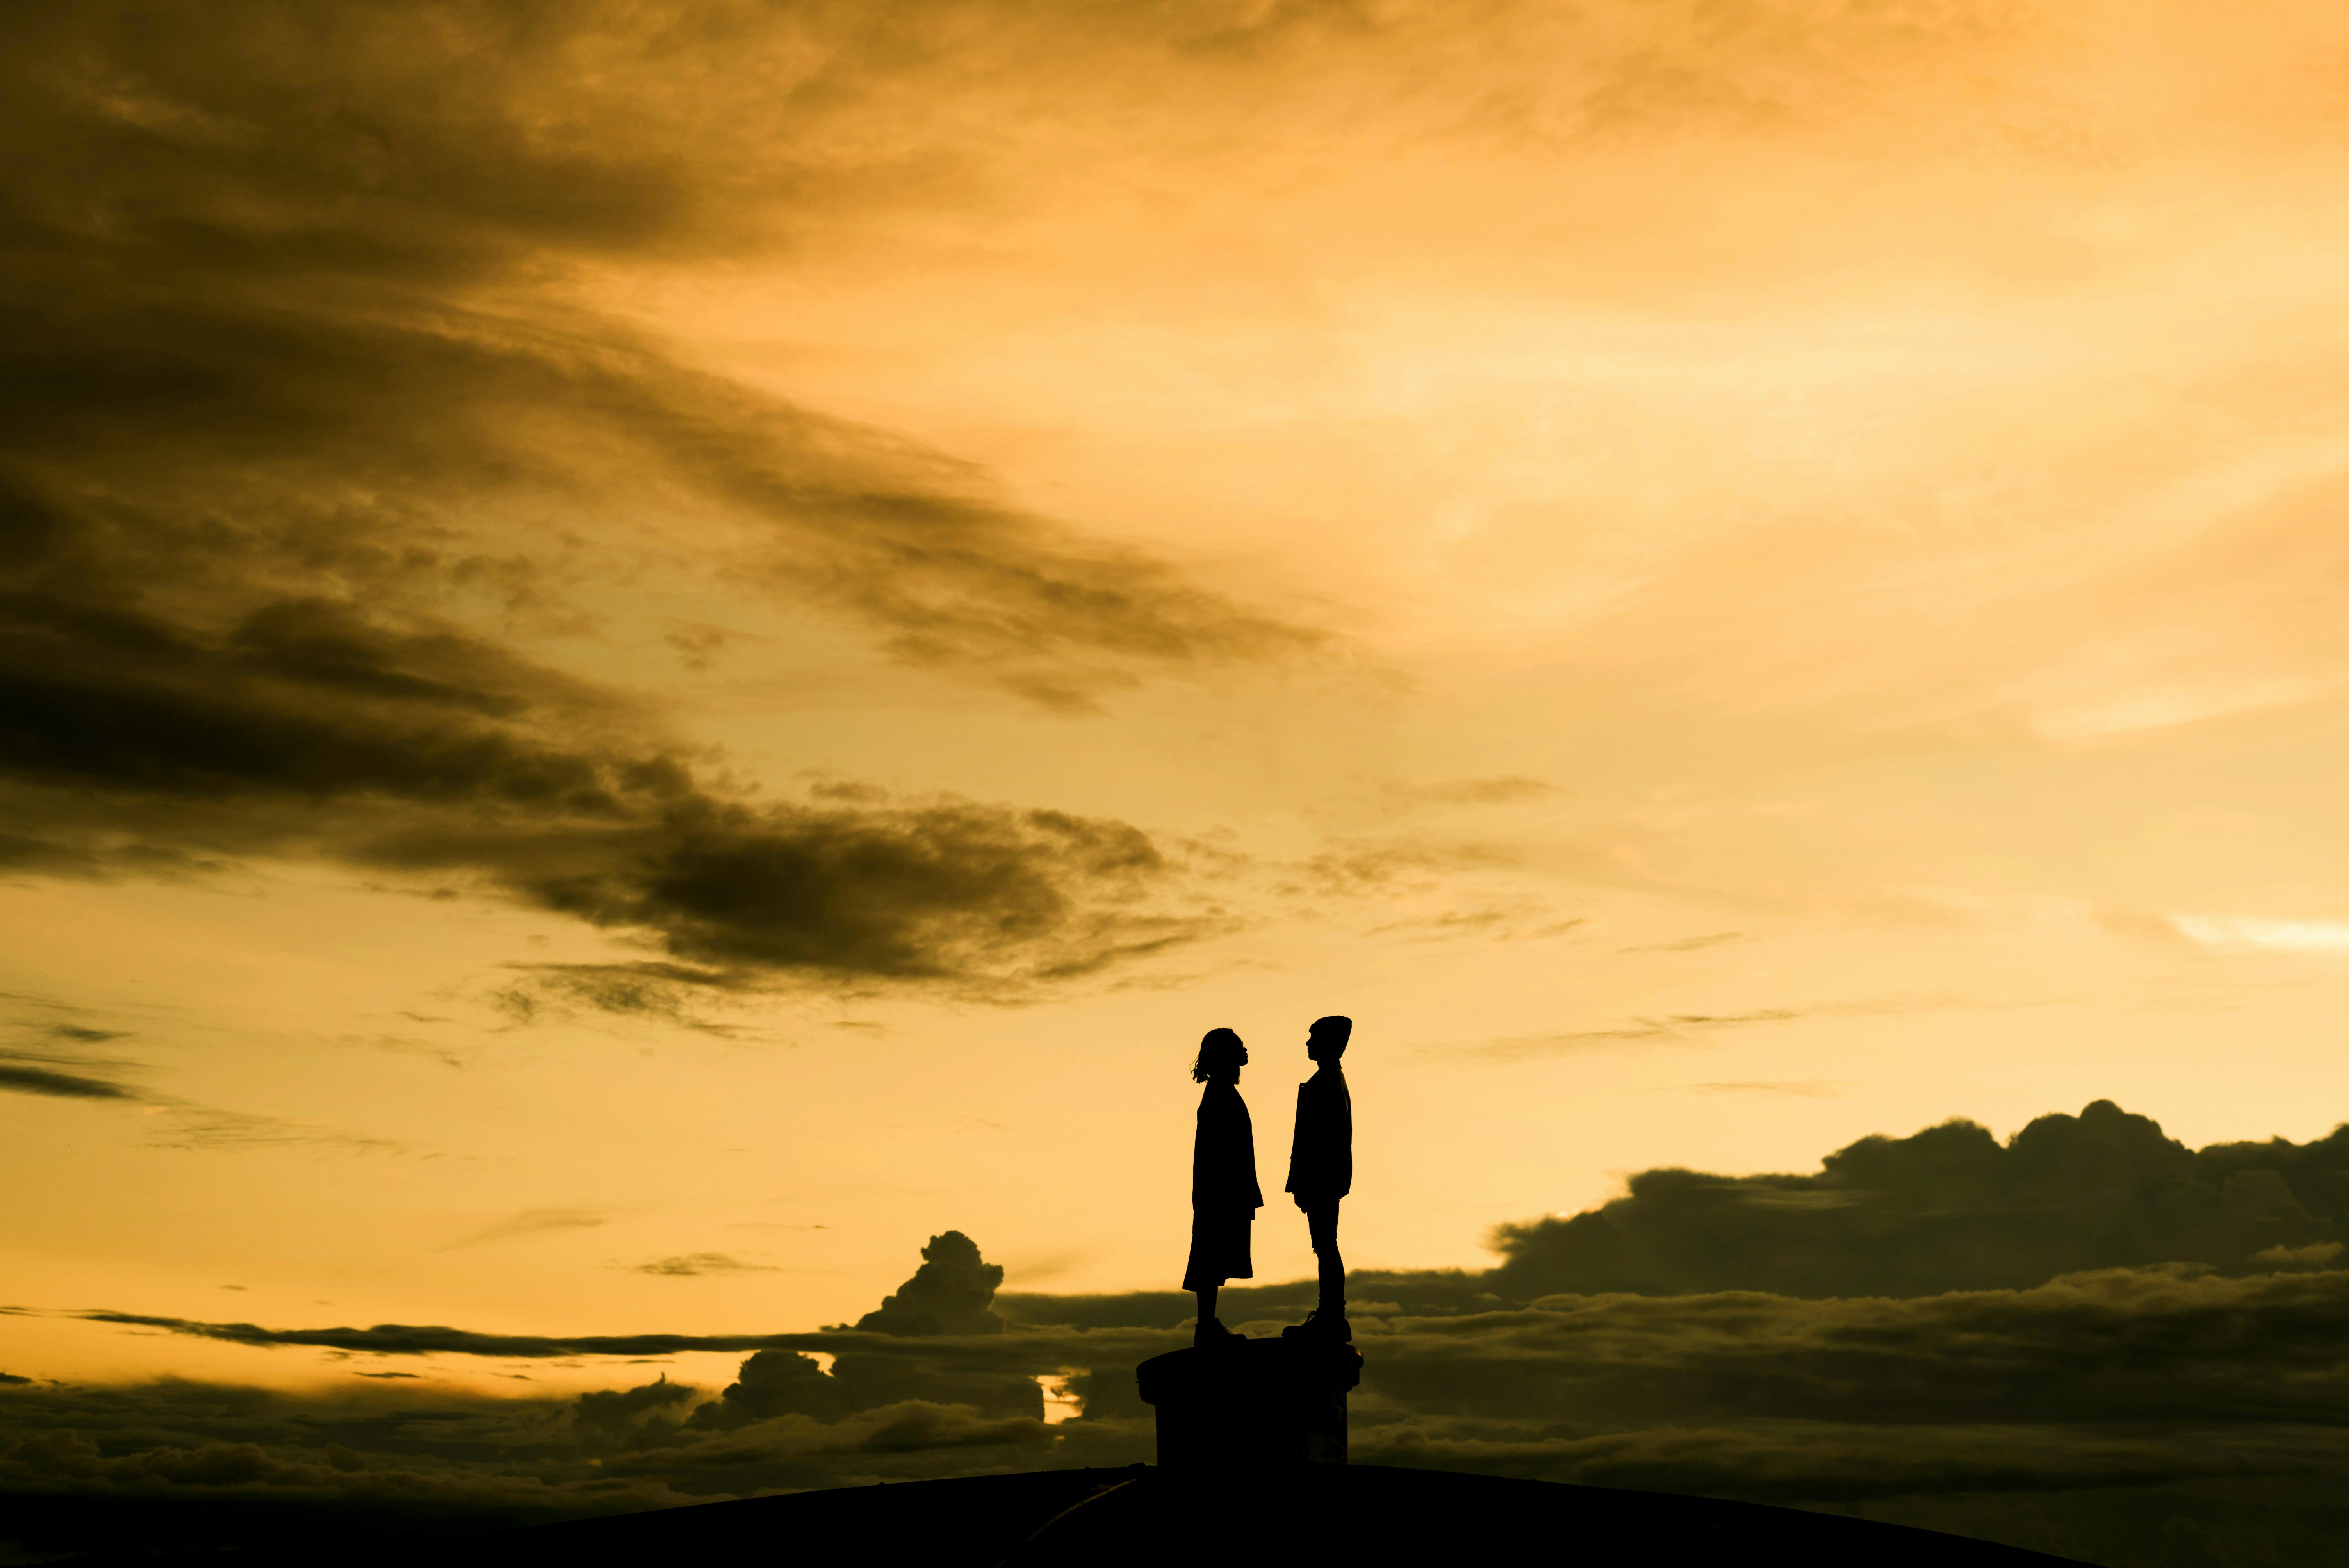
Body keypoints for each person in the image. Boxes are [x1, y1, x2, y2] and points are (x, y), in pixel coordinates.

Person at [1181, 1026, 1260, 1347]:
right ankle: (1206, 1327)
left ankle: (1208, 1325)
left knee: (1214, 1258)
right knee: (1211, 1257)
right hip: (1221, 1193)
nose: (1244, 1053)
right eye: (1238, 1048)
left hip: (1226, 1191)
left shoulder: (1222, 1092)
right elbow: (1222, 1152)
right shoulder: (1219, 1095)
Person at [1282, 1014, 1353, 1341]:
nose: (1308, 1044)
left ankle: (1332, 1315)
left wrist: (1306, 1182)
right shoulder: (1329, 1081)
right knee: (1325, 1245)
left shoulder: (1327, 1084)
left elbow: (1318, 1140)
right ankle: (1331, 1313)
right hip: (1325, 1180)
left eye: (1313, 1038)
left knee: (1326, 1246)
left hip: (1323, 1181)